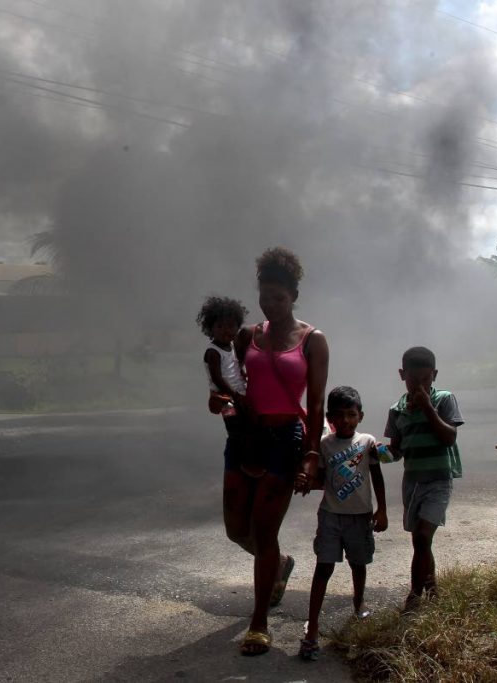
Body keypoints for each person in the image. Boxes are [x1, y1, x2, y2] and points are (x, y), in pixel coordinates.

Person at [223, 247, 329, 656]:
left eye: (279, 298)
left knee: (264, 531)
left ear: (294, 295)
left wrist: (311, 453)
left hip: (285, 440)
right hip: (246, 438)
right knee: (237, 529)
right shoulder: (248, 335)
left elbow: (316, 404)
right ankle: (279, 564)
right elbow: (233, 381)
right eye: (265, 297)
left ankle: (258, 622)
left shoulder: (312, 340)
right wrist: (223, 403)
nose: (271, 304)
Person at [296, 386, 387, 661]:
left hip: (360, 517)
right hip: (331, 517)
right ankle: (312, 627)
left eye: (351, 414)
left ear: (360, 415)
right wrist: (303, 481)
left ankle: (359, 605)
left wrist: (382, 510)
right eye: (339, 415)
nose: (346, 420)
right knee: (323, 568)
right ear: (330, 417)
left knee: (358, 565)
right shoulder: (324, 444)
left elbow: (378, 475)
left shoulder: (367, 441)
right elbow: (322, 480)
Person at [384, 346, 463, 611]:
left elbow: (449, 437)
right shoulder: (397, 410)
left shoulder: (444, 399)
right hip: (413, 481)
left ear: (435, 375)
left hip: (439, 480)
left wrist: (427, 407)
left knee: (422, 537)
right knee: (420, 540)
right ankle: (432, 588)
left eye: (425, 380)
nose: (419, 386)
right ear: (401, 375)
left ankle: (415, 597)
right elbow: (396, 449)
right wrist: (376, 453)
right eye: (412, 380)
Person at [197, 295, 248, 416]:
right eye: (220, 326)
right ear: (211, 329)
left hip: (238, 392)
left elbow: (234, 366)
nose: (225, 330)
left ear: (237, 327)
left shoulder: (231, 345)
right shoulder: (213, 352)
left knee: (247, 425)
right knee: (234, 425)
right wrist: (235, 396)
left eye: (230, 326)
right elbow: (217, 379)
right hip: (225, 398)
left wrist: (243, 373)